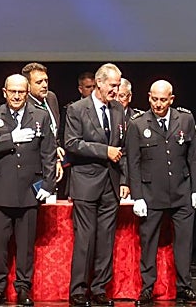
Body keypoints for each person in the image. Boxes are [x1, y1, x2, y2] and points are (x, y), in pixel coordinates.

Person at [0, 74, 57, 307]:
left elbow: (49, 154)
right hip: (0, 191)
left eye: (21, 92)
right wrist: (10, 138)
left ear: (27, 93)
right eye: (12, 91)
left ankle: (23, 289)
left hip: (29, 191)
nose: (16, 96)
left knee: (25, 247)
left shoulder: (40, 116)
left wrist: (48, 185)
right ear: (4, 92)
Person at [127, 81, 196, 305]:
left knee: (183, 243)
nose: (158, 104)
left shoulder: (185, 120)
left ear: (171, 99)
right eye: (154, 99)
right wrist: (137, 196)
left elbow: (195, 157)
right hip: (151, 193)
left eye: (163, 100)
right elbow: (133, 162)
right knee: (148, 243)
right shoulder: (137, 123)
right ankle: (147, 287)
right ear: (148, 97)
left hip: (182, 192)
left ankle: (184, 286)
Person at [65, 63, 129, 307]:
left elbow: (124, 148)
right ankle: (78, 290)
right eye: (112, 85)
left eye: (118, 85)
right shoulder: (77, 109)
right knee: (85, 238)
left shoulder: (118, 110)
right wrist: (105, 151)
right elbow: (72, 143)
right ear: (99, 82)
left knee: (106, 239)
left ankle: (99, 288)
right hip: (86, 182)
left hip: (111, 184)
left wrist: (125, 180)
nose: (116, 90)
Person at [22, 62, 65, 192]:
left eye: (46, 80)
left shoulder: (51, 98)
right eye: (39, 82)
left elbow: (54, 132)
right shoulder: (23, 105)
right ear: (28, 86)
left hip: (52, 162)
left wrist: (56, 156)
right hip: (33, 166)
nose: (44, 85)